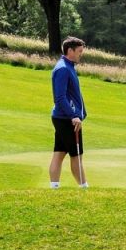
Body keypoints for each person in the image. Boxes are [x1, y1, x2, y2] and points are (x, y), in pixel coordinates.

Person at [49, 36, 87, 189]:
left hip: (64, 117)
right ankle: (84, 188)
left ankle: (54, 187)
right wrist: (74, 116)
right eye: (79, 51)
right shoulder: (63, 68)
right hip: (67, 119)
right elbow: (60, 98)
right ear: (70, 50)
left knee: (59, 152)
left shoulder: (68, 66)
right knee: (76, 156)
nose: (81, 54)